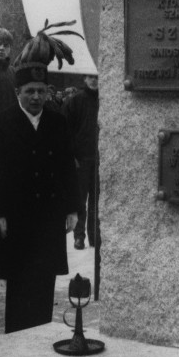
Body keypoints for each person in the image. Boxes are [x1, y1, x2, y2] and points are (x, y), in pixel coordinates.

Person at [0, 25, 79, 334]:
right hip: (17, 218)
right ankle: (17, 336)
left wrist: (73, 208)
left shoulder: (57, 121)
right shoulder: (0, 126)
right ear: (18, 93)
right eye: (30, 92)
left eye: (42, 91)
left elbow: (68, 166)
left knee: (44, 278)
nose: (37, 97)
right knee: (20, 280)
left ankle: (40, 333)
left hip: (50, 217)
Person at [63, 74, 100, 252]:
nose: (94, 81)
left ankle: (94, 236)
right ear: (85, 79)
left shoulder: (105, 99)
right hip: (81, 159)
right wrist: (71, 156)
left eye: (97, 77)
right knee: (80, 201)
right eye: (90, 77)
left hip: (100, 159)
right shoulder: (75, 101)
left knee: (96, 201)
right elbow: (65, 130)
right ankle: (79, 237)